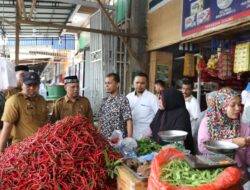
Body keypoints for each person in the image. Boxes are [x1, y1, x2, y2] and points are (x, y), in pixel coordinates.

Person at [198, 88, 250, 174]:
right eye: (233, 105)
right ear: (221, 105)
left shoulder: (244, 127)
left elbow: (248, 158)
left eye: (239, 104)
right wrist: (233, 143)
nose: (238, 108)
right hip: (212, 171)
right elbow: (203, 147)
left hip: (237, 173)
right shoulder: (208, 123)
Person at [0, 72, 48, 152]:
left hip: (41, 147)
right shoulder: (14, 100)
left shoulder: (41, 100)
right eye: (29, 85)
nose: (32, 88)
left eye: (35, 85)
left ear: (39, 86)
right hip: (21, 149)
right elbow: (7, 128)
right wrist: (0, 151)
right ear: (22, 85)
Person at [150, 87, 194, 154]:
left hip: (176, 153)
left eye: (162, 99)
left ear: (170, 99)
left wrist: (166, 151)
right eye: (159, 98)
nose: (159, 101)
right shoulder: (161, 111)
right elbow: (152, 127)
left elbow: (179, 138)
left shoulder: (182, 113)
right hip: (157, 151)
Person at [98, 73, 133, 138]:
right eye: (105, 83)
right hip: (104, 139)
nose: (107, 85)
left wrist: (129, 139)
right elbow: (100, 120)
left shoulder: (123, 100)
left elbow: (128, 121)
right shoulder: (104, 101)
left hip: (118, 141)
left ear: (117, 84)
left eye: (109, 83)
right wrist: (98, 136)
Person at [127, 72, 158, 140]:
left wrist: (150, 132)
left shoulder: (152, 98)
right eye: (137, 82)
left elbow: (158, 117)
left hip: (146, 136)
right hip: (130, 134)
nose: (139, 85)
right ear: (133, 83)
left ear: (146, 84)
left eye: (142, 83)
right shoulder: (128, 97)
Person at [0, 65, 29, 129]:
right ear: (14, 76)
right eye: (22, 75)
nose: (25, 78)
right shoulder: (6, 90)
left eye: (27, 75)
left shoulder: (29, 91)